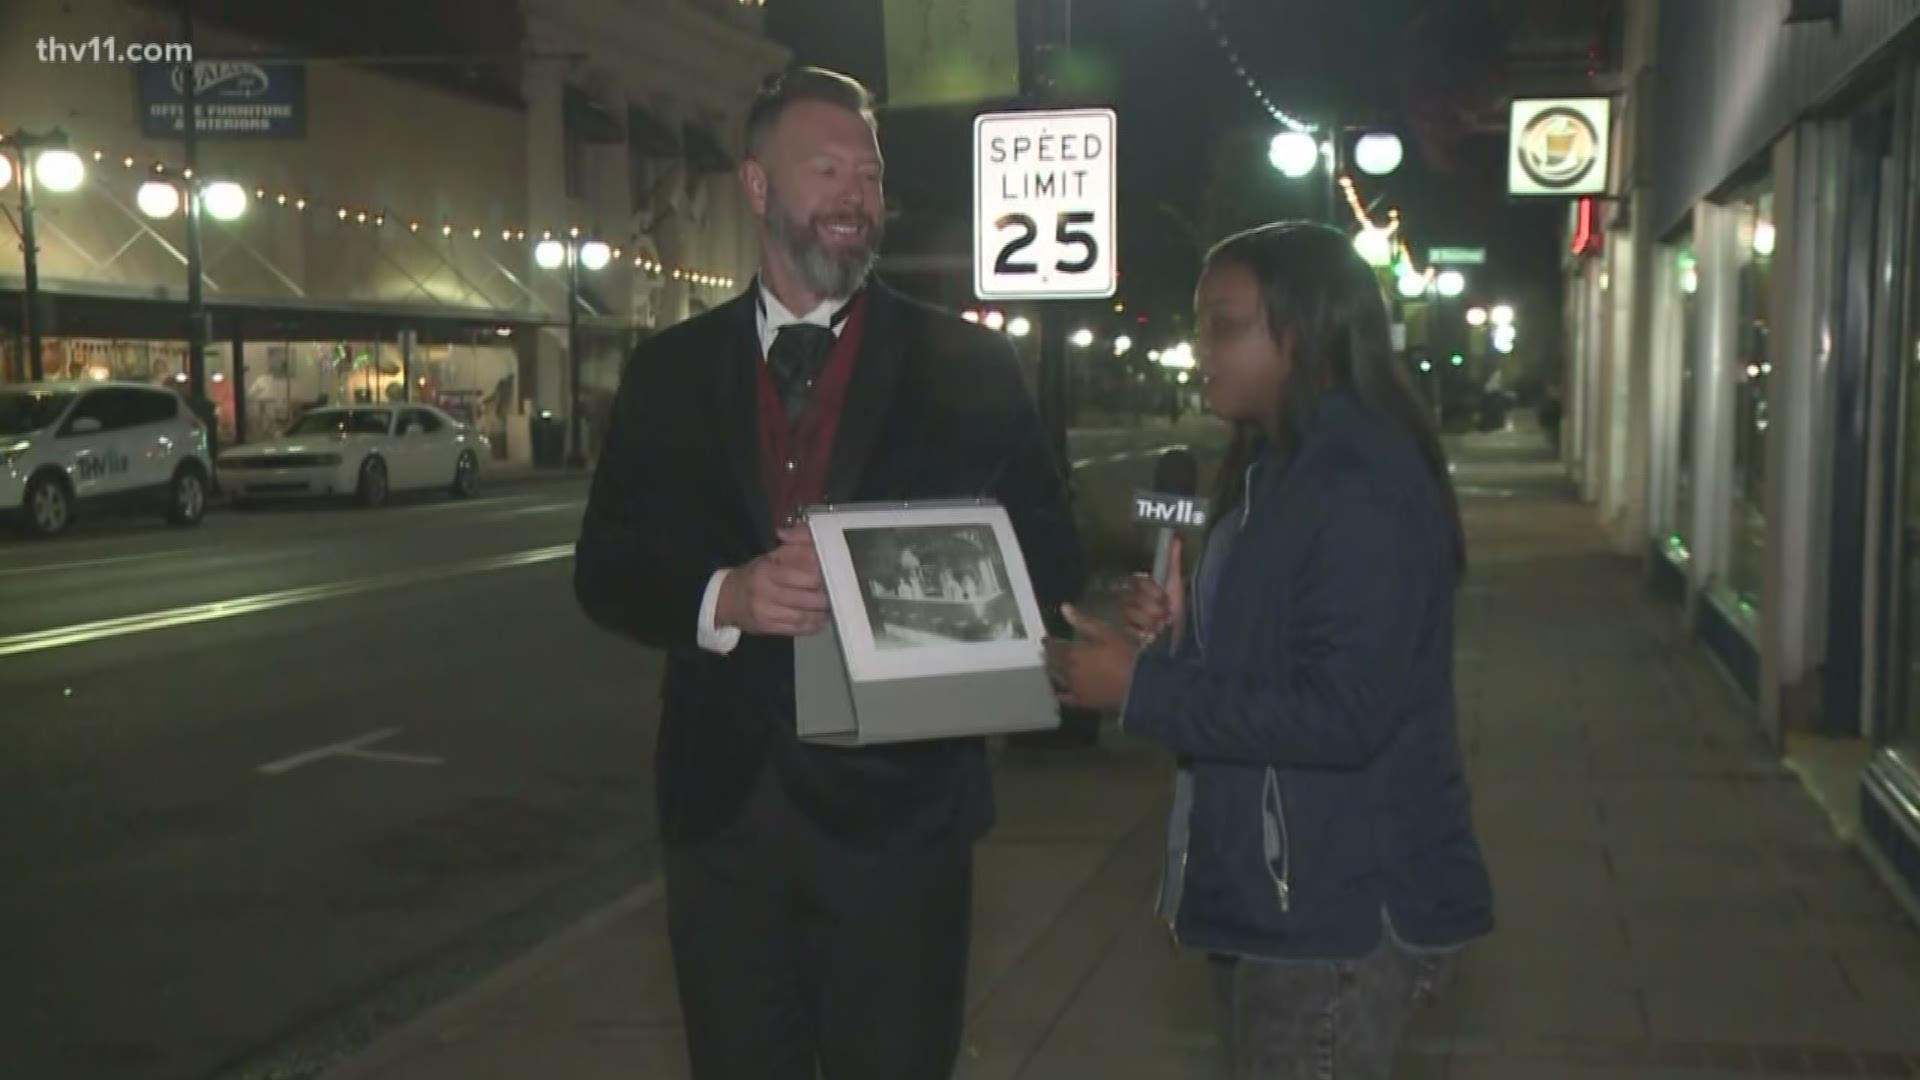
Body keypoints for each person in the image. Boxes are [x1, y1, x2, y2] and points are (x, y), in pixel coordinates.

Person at [573, 66, 1083, 1080]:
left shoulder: (969, 367)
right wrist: (728, 595)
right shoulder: (668, 372)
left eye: (871, 174)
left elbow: (1050, 561)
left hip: (904, 827)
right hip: (722, 819)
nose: (856, 196)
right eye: (828, 170)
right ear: (759, 187)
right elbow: (607, 567)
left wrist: (906, 583)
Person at [1045, 222, 1493, 1078]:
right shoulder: (1281, 466)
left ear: (1306, 329)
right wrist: (1185, 635)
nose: (1199, 344)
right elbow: (1288, 654)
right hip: (1288, 900)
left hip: (1335, 915)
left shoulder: (1355, 483)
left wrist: (1143, 691)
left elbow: (1344, 713)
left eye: (1224, 323)